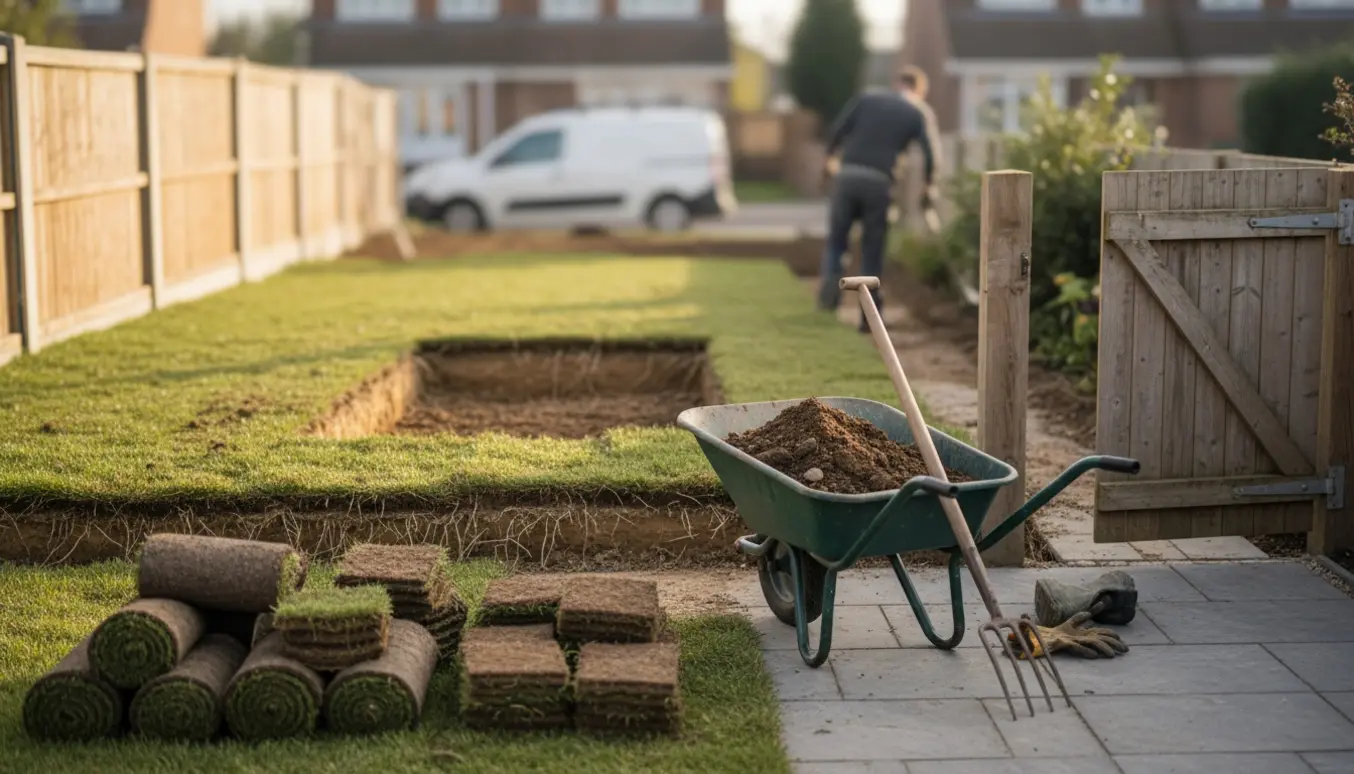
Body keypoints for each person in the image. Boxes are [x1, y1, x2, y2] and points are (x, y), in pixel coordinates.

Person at [817, 66, 940, 332]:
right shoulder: (917, 111)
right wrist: (928, 186)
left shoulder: (867, 99)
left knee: (837, 241)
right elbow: (931, 154)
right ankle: (868, 317)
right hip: (879, 183)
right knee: (872, 249)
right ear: (919, 90)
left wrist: (828, 162)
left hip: (847, 177)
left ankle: (827, 302)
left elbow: (836, 132)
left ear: (896, 83)